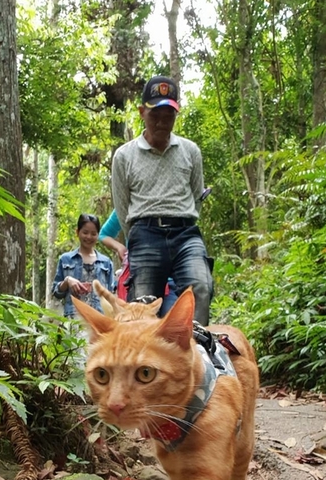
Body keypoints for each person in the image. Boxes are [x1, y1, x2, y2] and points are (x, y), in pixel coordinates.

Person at [111, 75, 213, 326]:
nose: (161, 122)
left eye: (168, 115)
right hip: (145, 234)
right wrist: (137, 235)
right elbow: (122, 207)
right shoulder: (124, 156)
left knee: (201, 286)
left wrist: (182, 217)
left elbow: (196, 196)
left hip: (185, 233)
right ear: (142, 112)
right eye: (155, 115)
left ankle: (195, 353)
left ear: (176, 114)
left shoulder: (190, 151)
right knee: (142, 305)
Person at [98, 209, 177, 316]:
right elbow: (104, 234)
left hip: (170, 279)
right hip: (140, 278)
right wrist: (119, 247)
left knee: (171, 322)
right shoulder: (128, 207)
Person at [52, 213, 115, 318]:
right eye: (85, 232)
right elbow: (56, 293)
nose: (89, 237)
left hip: (99, 320)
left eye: (93, 233)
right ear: (77, 232)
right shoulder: (66, 259)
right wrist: (67, 281)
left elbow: (110, 296)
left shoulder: (106, 263)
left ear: (98, 235)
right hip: (73, 319)